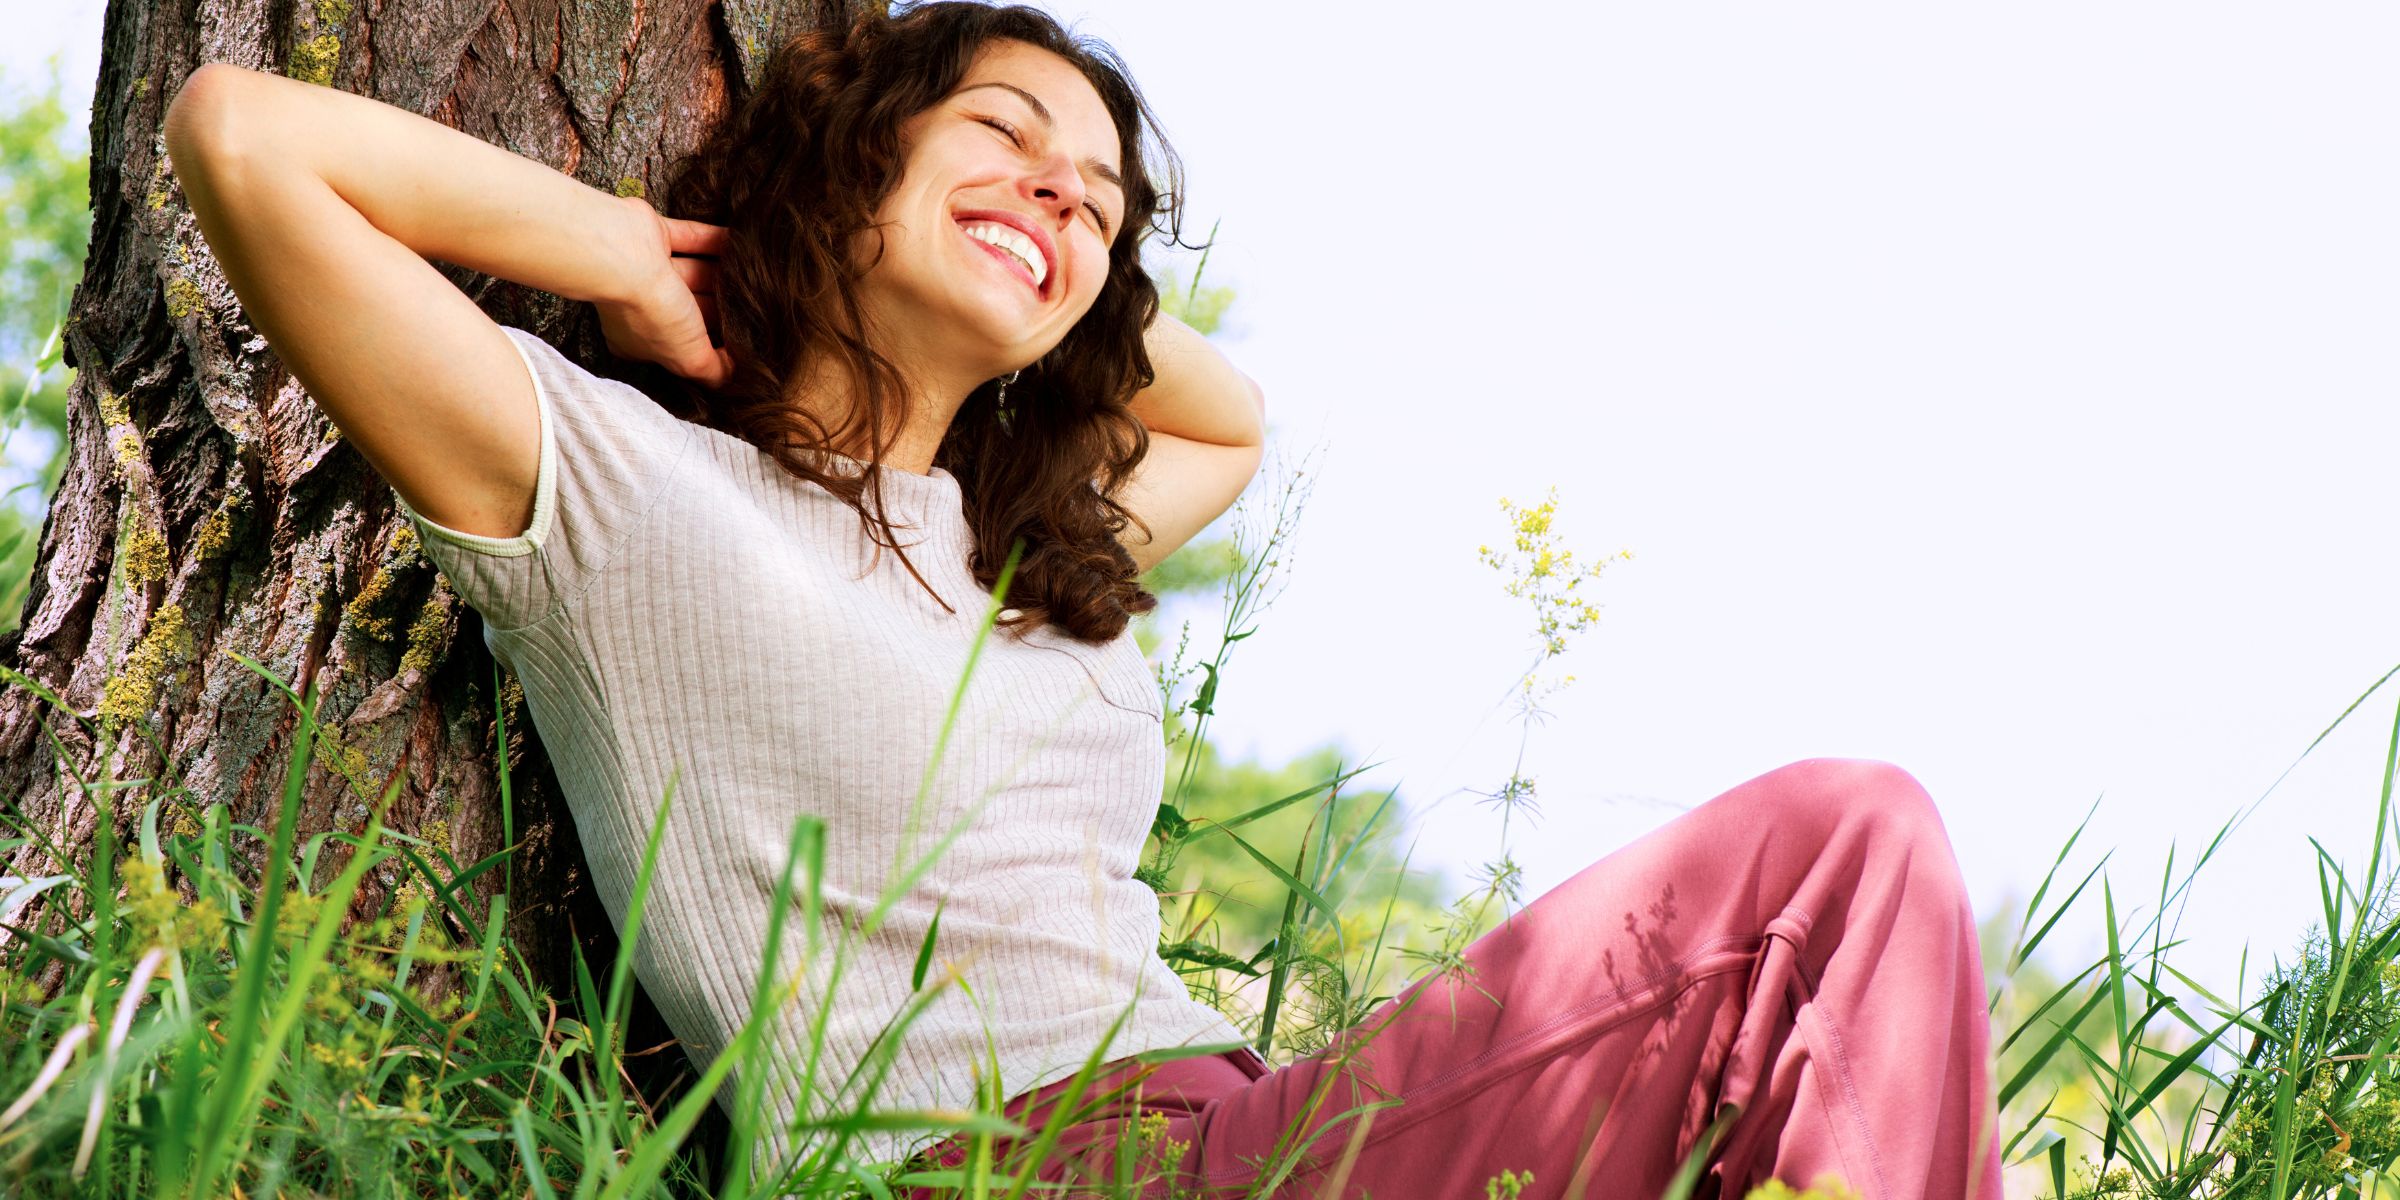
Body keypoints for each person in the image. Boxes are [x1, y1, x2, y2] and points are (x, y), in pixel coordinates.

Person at [163, 2, 2006, 1196]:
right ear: (848, 157)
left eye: (1103, 205)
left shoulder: (1025, 558)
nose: (1060, 186)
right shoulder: (623, 496)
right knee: (1837, 857)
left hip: (1250, 1131)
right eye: (1002, 130)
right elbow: (248, 141)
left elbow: (1229, 414)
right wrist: (642, 256)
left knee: (1844, 910)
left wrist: (1047, 253)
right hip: (1032, 1167)